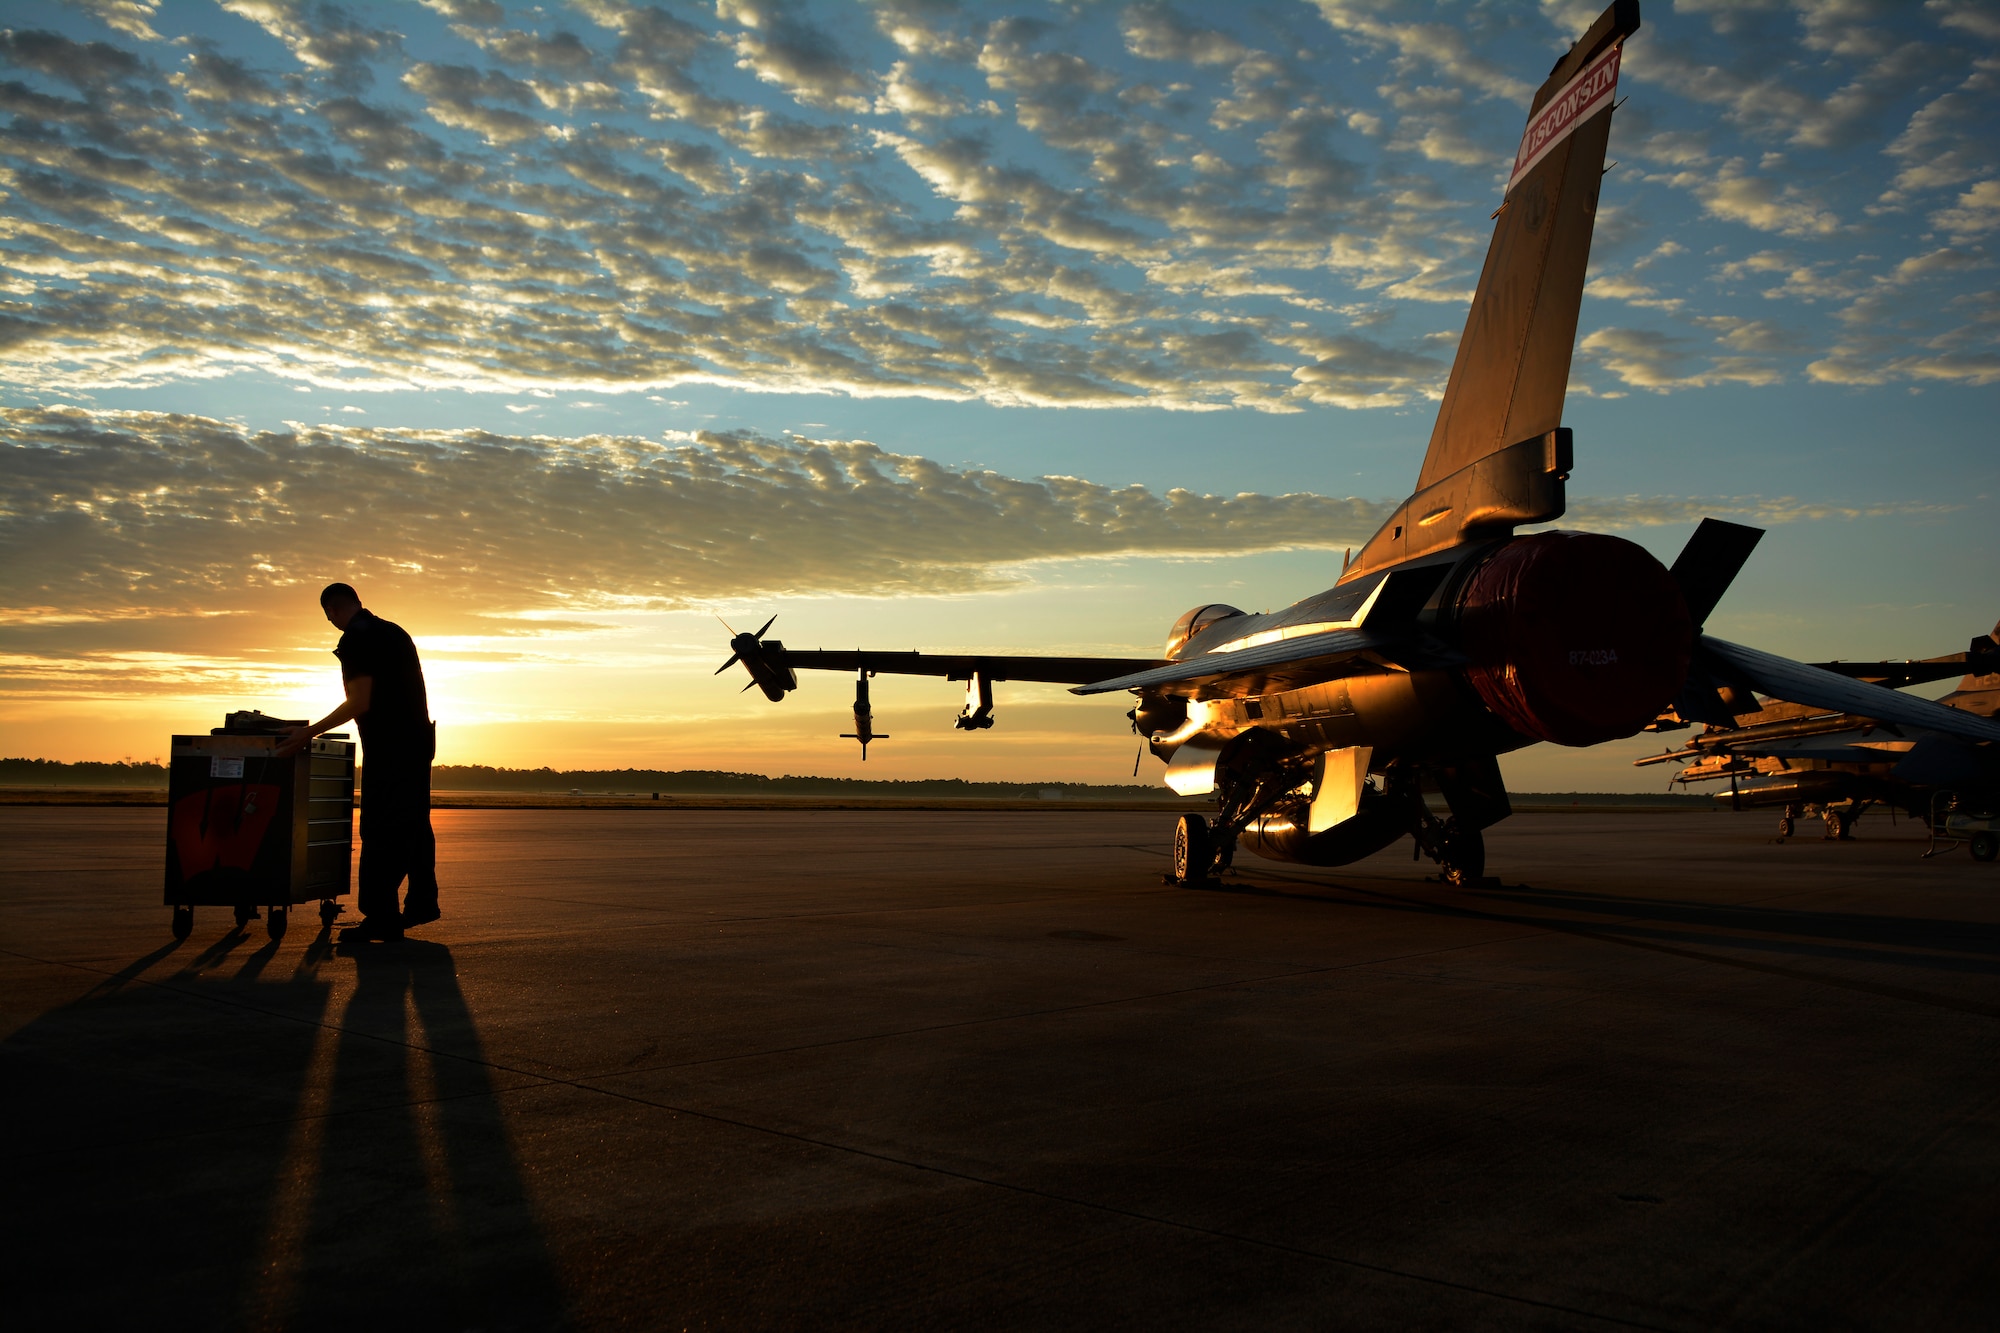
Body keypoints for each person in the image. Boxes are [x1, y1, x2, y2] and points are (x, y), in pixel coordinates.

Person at [282, 583, 439, 942]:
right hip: (416, 743)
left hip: (389, 748)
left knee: (380, 830)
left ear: (332, 611)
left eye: (330, 617)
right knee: (414, 826)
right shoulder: (394, 632)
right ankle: (421, 905)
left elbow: (359, 701)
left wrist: (309, 733)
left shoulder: (357, 639)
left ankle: (382, 918)